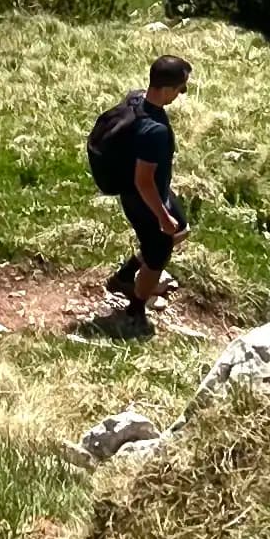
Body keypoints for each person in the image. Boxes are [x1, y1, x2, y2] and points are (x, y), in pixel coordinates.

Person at [80, 54, 191, 335]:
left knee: (182, 230)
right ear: (166, 90)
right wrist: (162, 216)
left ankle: (125, 275)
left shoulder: (135, 99)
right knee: (159, 254)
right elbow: (144, 181)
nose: (181, 94)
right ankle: (136, 307)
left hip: (151, 190)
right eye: (180, 88)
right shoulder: (154, 131)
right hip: (144, 199)